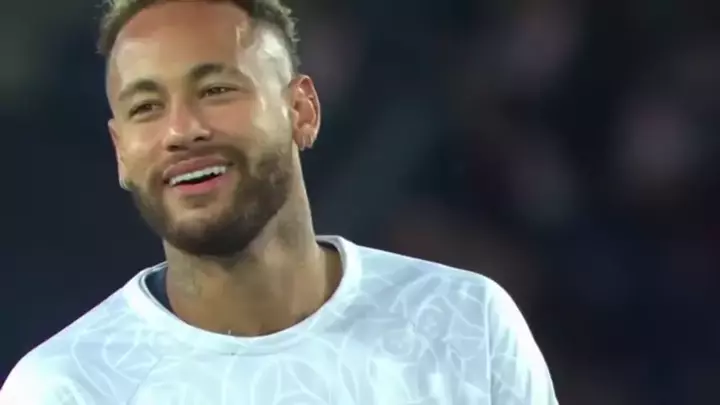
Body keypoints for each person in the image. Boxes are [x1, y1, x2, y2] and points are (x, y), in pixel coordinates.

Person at [0, 0, 558, 403]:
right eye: (146, 107)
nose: (181, 130)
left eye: (216, 90)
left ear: (302, 111)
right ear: (121, 151)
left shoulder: (466, 322)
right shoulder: (65, 387)